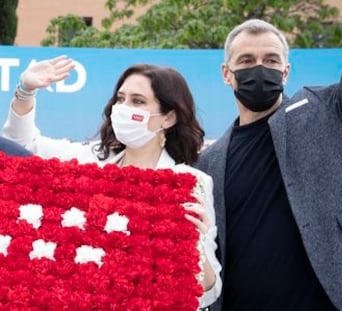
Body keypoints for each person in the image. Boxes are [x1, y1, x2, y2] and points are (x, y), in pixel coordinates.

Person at [194, 0, 342, 310]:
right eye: (246, 60)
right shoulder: (207, 162)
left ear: (285, 72)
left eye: (271, 60)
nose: (259, 68)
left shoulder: (328, 111)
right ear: (226, 74)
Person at [2, 57, 222, 310]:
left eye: (137, 101)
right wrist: (25, 91)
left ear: (169, 118)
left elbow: (210, 290)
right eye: (120, 99)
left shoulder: (191, 184)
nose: (124, 107)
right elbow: (24, 146)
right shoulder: (90, 161)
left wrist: (193, 243)